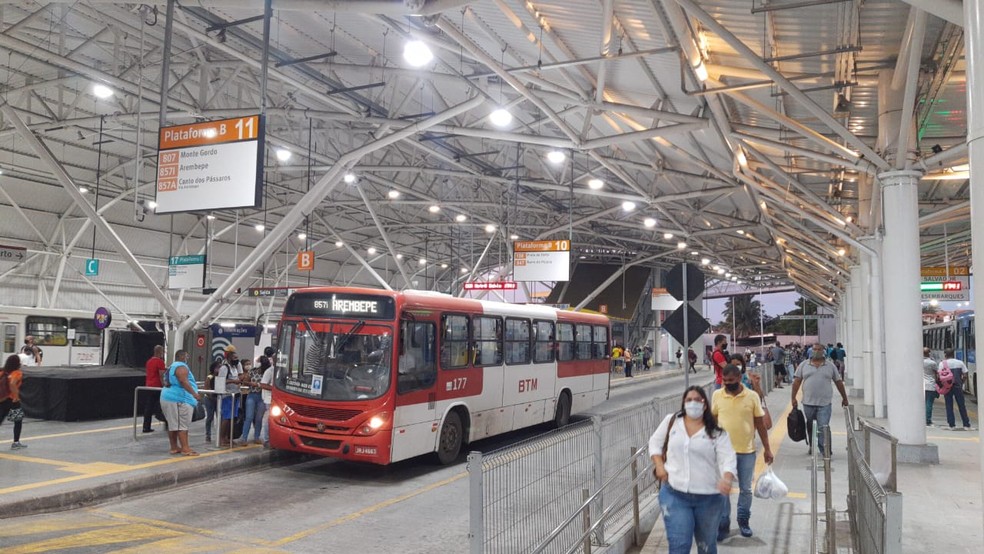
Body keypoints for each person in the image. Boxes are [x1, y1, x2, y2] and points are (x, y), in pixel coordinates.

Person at [649, 386, 736, 554]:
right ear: (683, 403)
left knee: (706, 545)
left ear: (705, 405)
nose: (693, 403)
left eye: (698, 400)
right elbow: (655, 443)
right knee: (679, 546)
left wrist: (727, 478)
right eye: (689, 400)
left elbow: (728, 458)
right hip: (675, 495)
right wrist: (659, 465)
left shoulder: (716, 431)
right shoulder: (672, 422)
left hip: (709, 498)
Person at [712, 364, 773, 540]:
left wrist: (767, 449)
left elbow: (760, 424)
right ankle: (723, 524)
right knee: (724, 489)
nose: (727, 384)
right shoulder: (717, 395)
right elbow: (713, 420)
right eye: (724, 381)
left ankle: (743, 520)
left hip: (746, 451)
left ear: (739, 378)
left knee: (745, 489)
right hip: (723, 452)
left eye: (730, 381)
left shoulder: (752, 396)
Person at [791, 343, 850, 455]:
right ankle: (812, 446)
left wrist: (844, 398)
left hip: (825, 403)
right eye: (814, 349)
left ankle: (825, 450)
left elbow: (838, 382)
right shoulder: (804, 365)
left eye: (819, 349)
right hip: (808, 403)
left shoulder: (830, 366)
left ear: (823, 351)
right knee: (811, 426)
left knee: (824, 427)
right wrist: (793, 398)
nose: (816, 351)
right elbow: (797, 382)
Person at [159, 350, 201, 456]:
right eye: (187, 356)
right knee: (182, 425)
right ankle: (185, 448)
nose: (187, 358)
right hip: (178, 399)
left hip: (168, 397)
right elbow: (183, 381)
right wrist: (194, 394)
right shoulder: (181, 366)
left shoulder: (171, 366)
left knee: (173, 424)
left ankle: (174, 447)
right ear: (182, 357)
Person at [215, 345, 244, 447]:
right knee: (226, 418)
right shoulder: (224, 367)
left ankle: (227, 437)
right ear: (229, 357)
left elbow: (240, 375)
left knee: (232, 418)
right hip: (227, 395)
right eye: (234, 358)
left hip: (235, 394)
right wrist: (233, 381)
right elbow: (221, 381)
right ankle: (222, 438)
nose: (236, 360)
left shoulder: (235, 367)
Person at [939, 348, 973, 430]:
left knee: (949, 405)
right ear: (953, 354)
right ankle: (966, 424)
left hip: (947, 387)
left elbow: (939, 376)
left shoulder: (942, 364)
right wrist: (961, 382)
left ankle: (952, 425)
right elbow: (965, 374)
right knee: (961, 405)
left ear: (945, 354)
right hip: (958, 386)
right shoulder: (960, 362)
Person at [236, 357, 266, 446]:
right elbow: (245, 382)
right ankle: (244, 438)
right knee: (249, 417)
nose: (256, 363)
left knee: (259, 418)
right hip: (252, 394)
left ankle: (257, 437)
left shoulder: (267, 372)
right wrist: (252, 384)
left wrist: (260, 385)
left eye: (258, 361)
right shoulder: (252, 371)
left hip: (262, 396)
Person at [0, 354, 26, 449]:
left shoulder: (3, 372)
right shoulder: (17, 373)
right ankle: (16, 442)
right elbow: (12, 384)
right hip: (12, 400)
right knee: (18, 420)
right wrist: (16, 397)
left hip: (2, 399)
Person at [142, 345, 167, 433]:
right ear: (160, 352)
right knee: (165, 405)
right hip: (157, 387)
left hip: (149, 385)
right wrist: (164, 385)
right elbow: (161, 375)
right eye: (163, 352)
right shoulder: (160, 362)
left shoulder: (149, 361)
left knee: (148, 407)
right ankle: (167, 424)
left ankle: (146, 427)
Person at [259, 347, 276, 448]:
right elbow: (263, 384)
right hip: (269, 399)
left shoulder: (280, 371)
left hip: (277, 399)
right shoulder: (269, 371)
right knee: (268, 419)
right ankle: (266, 439)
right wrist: (275, 389)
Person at [203, 359, 222, 443]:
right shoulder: (210, 377)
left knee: (220, 417)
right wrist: (212, 397)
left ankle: (220, 434)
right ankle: (208, 434)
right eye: (218, 367)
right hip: (210, 399)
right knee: (210, 417)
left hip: (218, 399)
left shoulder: (221, 377)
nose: (219, 369)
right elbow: (206, 389)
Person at [923, 347, 939, 427]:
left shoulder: (918, 362)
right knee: (929, 403)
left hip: (921, 385)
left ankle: (921, 419)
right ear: (929, 353)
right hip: (930, 384)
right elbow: (937, 373)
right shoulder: (932, 363)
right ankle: (928, 420)